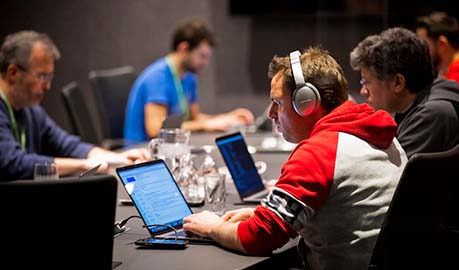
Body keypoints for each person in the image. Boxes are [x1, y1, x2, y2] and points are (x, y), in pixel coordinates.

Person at [183, 47, 407, 269]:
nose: (271, 113)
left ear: (307, 103)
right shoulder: (382, 135)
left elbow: (259, 238)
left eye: (278, 103)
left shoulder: (320, 151)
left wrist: (212, 227)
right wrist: (268, 213)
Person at [0, 30, 150, 181]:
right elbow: (13, 163)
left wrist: (115, 158)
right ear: (13, 73)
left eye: (50, 77)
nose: (48, 86)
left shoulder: (30, 109)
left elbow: (67, 145)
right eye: (42, 77)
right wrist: (84, 165)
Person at [124, 18, 254, 142]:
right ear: (184, 49)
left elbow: (194, 118)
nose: (205, 63)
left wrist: (225, 118)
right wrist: (205, 125)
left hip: (171, 147)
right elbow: (155, 130)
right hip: (144, 152)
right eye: (202, 56)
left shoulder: (189, 77)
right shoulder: (158, 78)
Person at [350, 27, 459, 158]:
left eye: (366, 82)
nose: (363, 91)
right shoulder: (424, 102)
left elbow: (394, 174)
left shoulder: (431, 116)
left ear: (398, 83)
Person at [416, 11, 459, 83]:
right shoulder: (445, 72)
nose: (419, 50)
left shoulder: (455, 78)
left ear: (442, 43)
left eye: (424, 44)